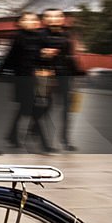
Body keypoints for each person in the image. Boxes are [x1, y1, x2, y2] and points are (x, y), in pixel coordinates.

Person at [0, 11, 55, 153]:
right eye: (27, 19)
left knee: (28, 109)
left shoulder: (42, 37)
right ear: (20, 23)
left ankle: (11, 136)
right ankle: (44, 144)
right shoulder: (18, 37)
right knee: (32, 108)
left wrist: (46, 56)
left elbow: (45, 59)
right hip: (23, 78)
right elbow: (10, 57)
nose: (31, 21)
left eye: (33, 19)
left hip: (39, 78)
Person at [39, 8, 80, 151]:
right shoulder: (40, 35)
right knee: (45, 107)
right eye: (50, 17)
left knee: (66, 109)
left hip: (66, 76)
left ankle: (65, 140)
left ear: (63, 19)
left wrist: (77, 73)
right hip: (48, 77)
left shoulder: (67, 35)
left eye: (57, 16)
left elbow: (69, 56)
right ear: (45, 20)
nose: (54, 19)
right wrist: (43, 54)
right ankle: (39, 135)